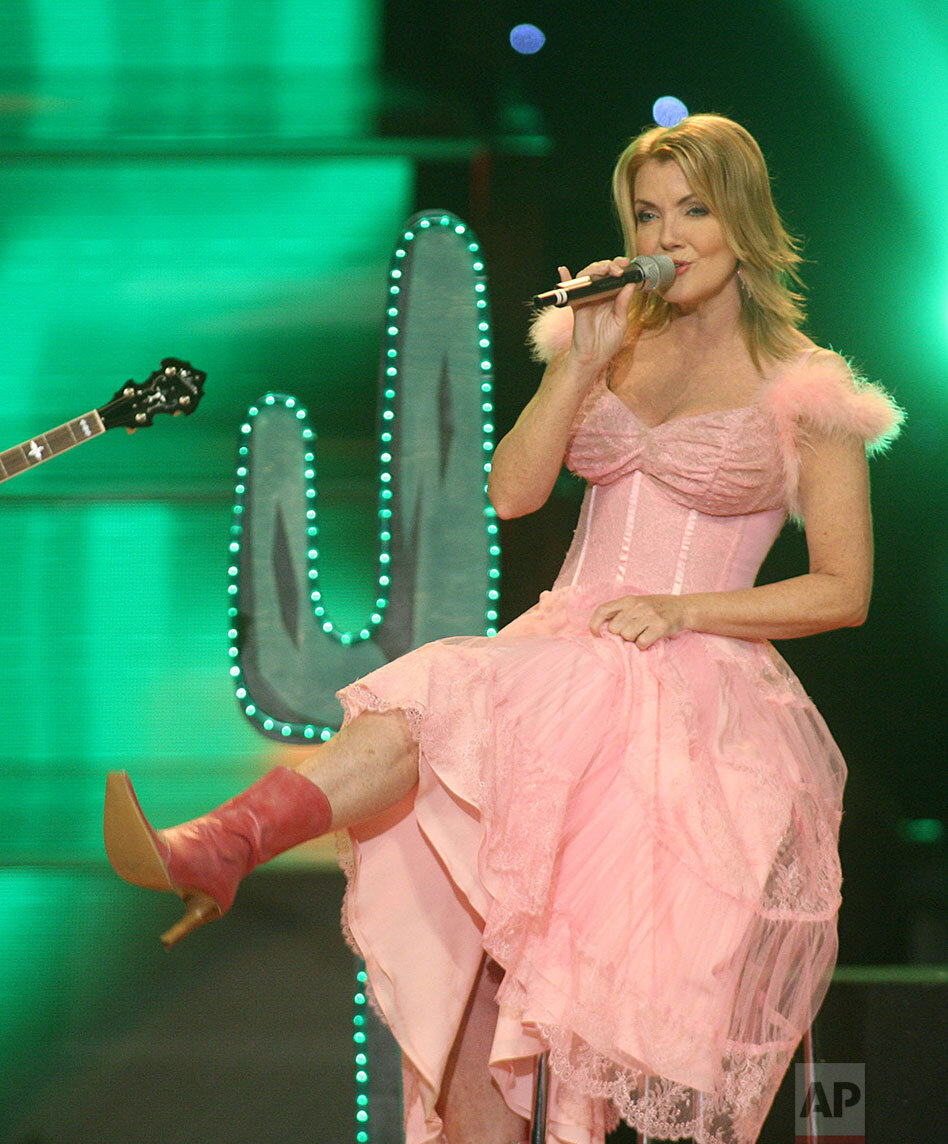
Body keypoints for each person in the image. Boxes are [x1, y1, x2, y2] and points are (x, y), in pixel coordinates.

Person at [104, 114, 903, 1144]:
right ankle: (224, 840)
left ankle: (225, 842)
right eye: (649, 212)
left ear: (743, 218)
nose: (671, 233)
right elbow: (512, 493)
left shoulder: (808, 385)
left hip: (688, 704)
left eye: (694, 209)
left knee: (576, 1020)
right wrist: (579, 364)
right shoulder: (607, 344)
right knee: (472, 971)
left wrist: (679, 609)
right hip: (561, 662)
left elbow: (843, 589)